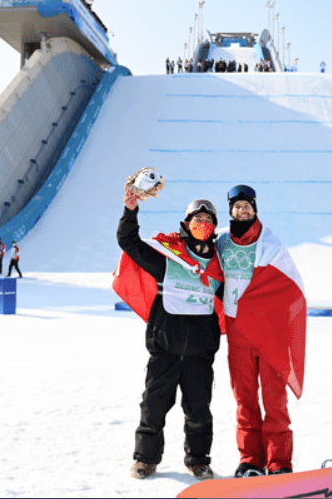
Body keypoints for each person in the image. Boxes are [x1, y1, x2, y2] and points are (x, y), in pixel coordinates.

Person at [112, 187, 225, 481]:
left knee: (199, 410)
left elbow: (240, 295)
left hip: (200, 353)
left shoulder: (220, 265)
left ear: (214, 228)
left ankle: (198, 460)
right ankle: (145, 459)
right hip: (165, 348)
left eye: (207, 220)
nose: (202, 224)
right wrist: (130, 210)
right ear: (186, 225)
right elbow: (129, 242)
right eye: (196, 219)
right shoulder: (167, 259)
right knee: (153, 406)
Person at [216, 185, 306, 477]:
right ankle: (250, 461)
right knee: (245, 400)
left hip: (268, 333)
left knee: (274, 400)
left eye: (247, 206)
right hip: (238, 332)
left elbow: (289, 286)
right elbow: (203, 267)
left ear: (255, 209)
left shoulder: (271, 243)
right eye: (237, 207)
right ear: (230, 211)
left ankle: (279, 463)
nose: (242, 211)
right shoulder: (222, 243)